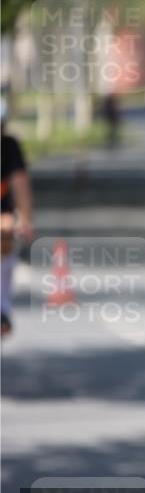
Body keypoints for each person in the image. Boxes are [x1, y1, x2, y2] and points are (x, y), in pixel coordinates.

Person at [1, 107, 34, 337]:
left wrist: (25, 219)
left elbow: (20, 183)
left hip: (3, 214)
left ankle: (1, 308)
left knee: (5, 234)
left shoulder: (8, 147)